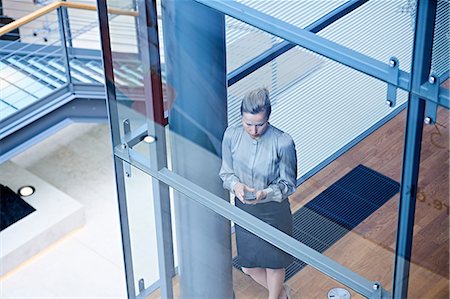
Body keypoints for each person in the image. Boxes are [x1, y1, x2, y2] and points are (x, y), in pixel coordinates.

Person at [220, 88, 297, 299]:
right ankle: (283, 295)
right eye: (248, 124)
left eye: (259, 124)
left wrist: (266, 193)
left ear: (268, 119)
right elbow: (226, 173)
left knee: (274, 264)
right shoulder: (231, 136)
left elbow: (289, 185)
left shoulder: (283, 142)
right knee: (249, 267)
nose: (253, 130)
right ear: (241, 118)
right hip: (245, 209)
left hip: (273, 211)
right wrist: (236, 186)